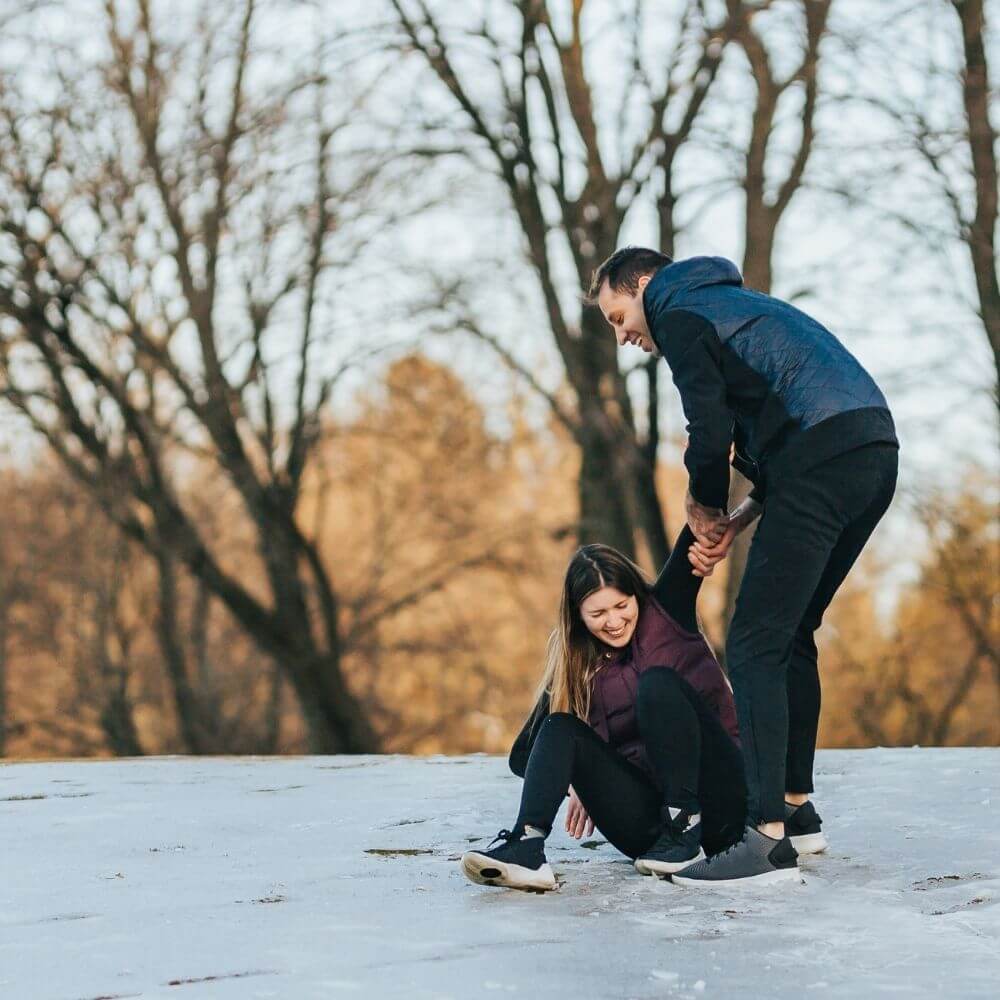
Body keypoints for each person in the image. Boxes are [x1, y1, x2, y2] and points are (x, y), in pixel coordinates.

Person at [590, 248, 898, 887]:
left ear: (643, 284)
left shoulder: (678, 308)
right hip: (871, 453)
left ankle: (763, 837)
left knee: (755, 642)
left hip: (823, 459)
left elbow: (709, 432)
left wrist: (702, 505)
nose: (624, 336)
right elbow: (786, 439)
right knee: (790, 633)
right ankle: (795, 808)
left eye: (619, 316)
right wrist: (736, 520)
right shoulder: (739, 305)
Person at [459, 525, 755, 892]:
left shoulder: (668, 611)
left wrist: (734, 488)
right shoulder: (577, 667)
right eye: (598, 613)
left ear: (637, 596)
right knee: (559, 726)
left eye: (621, 605)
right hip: (652, 834)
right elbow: (525, 754)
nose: (613, 622)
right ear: (578, 616)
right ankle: (526, 848)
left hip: (725, 805)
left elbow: (699, 525)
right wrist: (578, 781)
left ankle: (685, 826)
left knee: (657, 685)